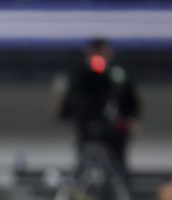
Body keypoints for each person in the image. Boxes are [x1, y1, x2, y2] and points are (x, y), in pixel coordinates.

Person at [55, 37, 141, 174]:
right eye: (96, 53)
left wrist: (130, 119)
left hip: (113, 132)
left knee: (117, 168)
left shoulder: (118, 76)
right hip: (86, 132)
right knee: (85, 166)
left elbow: (131, 103)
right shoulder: (79, 75)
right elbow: (67, 106)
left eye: (103, 53)